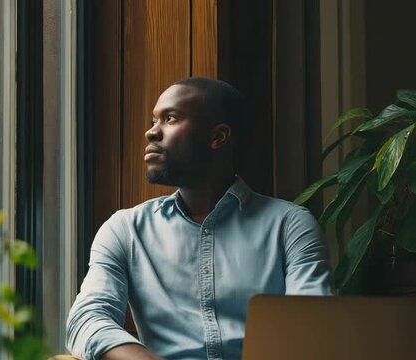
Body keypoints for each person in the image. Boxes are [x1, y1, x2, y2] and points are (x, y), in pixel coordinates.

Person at [65, 77, 333, 360]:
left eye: (170, 118)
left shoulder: (290, 225)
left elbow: (311, 329)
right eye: (153, 120)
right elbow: (87, 320)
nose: (151, 133)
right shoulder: (125, 230)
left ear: (218, 137)